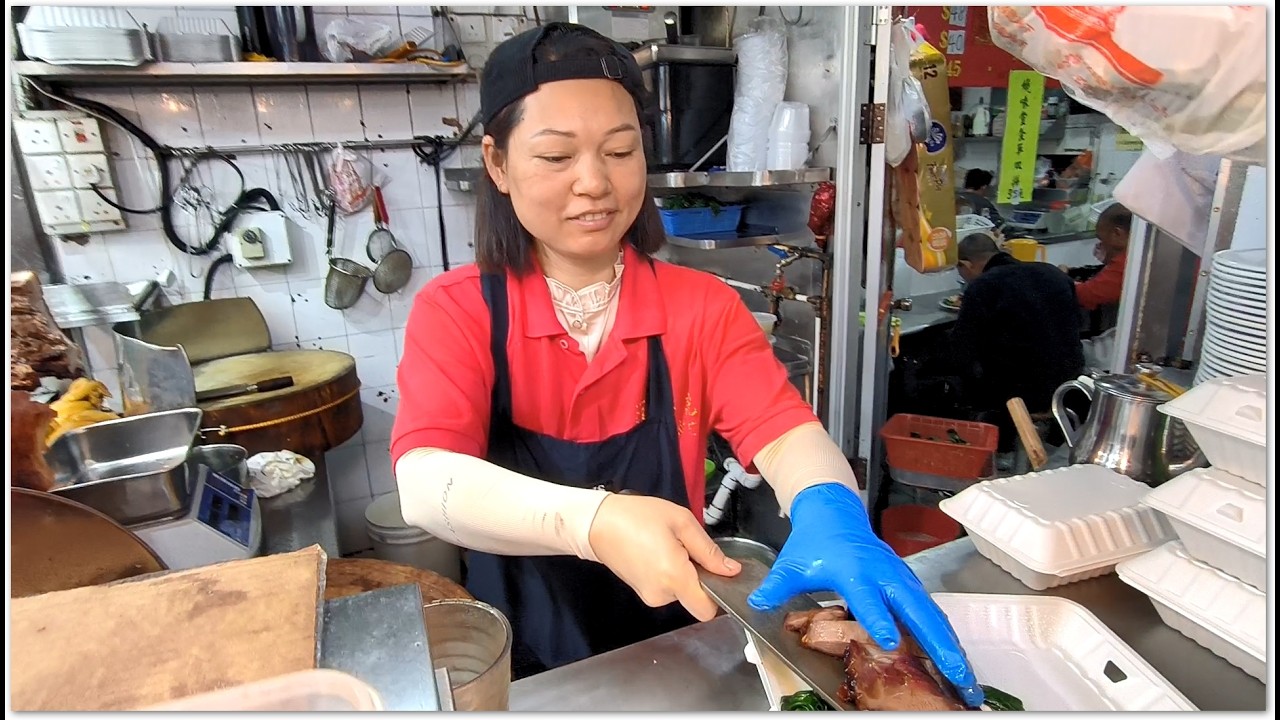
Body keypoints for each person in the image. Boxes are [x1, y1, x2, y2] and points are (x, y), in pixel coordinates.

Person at [390, 22, 983, 706]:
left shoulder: (699, 306)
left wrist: (831, 509)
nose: (594, 183)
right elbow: (427, 480)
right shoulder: (459, 311)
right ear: (497, 164)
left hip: (679, 644)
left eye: (620, 150)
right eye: (556, 157)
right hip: (532, 666)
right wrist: (595, 522)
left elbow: (784, 432)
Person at [949, 233, 1085, 452]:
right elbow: (1076, 324)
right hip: (1068, 387)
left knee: (947, 380)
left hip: (1020, 396)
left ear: (966, 264)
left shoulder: (984, 286)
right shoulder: (1053, 273)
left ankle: (993, 451)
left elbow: (962, 349)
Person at [1061, 202, 1132, 311]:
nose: (1099, 245)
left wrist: (1059, 276)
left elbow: (1084, 296)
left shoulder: (1127, 263)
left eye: (1101, 239)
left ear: (1117, 234)